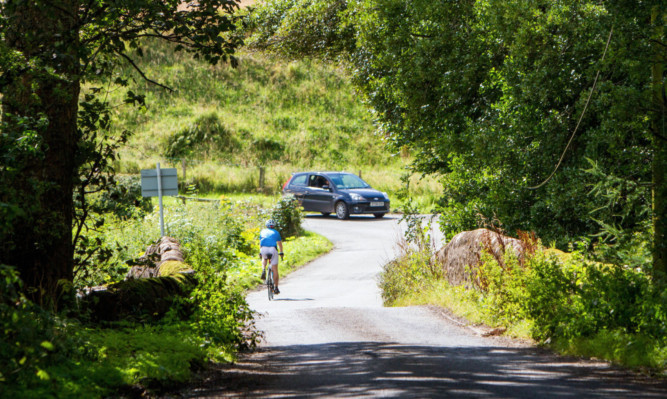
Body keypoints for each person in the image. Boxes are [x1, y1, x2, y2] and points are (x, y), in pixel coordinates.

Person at [259, 219, 284, 294]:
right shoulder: (276, 232)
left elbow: (261, 243)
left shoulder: (262, 231)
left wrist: (260, 252)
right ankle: (276, 287)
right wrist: (281, 252)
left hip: (263, 248)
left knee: (264, 258)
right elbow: (279, 244)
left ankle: (263, 269)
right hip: (273, 249)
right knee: (275, 269)